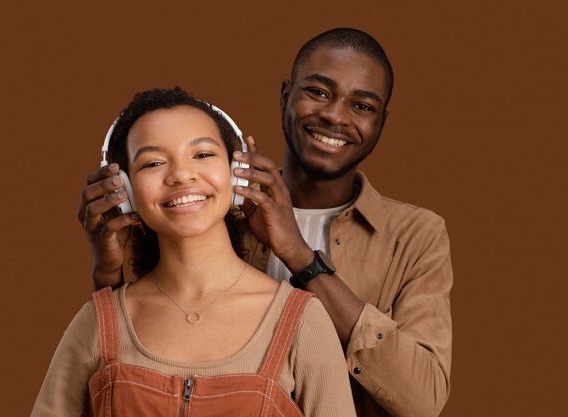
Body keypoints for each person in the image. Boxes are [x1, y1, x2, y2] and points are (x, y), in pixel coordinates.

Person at [79, 28, 453, 417]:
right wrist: (107, 271)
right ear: (285, 96)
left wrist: (298, 254)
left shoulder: (416, 236)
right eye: (319, 92)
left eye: (362, 106)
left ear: (381, 121)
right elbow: (136, 356)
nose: (335, 116)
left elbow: (421, 400)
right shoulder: (211, 206)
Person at [32, 88, 356, 417]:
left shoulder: (303, 321)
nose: (181, 175)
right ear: (124, 191)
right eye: (153, 162)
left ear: (237, 170)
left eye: (202, 154)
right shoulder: (97, 322)